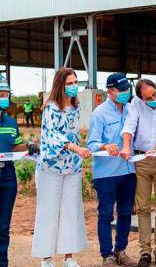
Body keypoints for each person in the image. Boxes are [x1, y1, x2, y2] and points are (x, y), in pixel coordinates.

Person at [32, 68, 91, 267]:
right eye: (70, 83)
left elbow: (75, 133)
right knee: (49, 211)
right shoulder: (51, 107)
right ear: (61, 85)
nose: (74, 87)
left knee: (71, 211)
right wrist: (76, 148)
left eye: (76, 82)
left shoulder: (76, 106)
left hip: (72, 167)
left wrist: (82, 149)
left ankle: (69, 257)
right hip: (50, 167)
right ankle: (46, 258)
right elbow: (54, 135)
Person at [87, 73, 138, 267]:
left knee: (125, 212)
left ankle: (120, 251)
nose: (125, 93)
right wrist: (104, 146)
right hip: (106, 174)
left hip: (127, 171)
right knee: (106, 214)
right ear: (110, 91)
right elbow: (91, 144)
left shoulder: (130, 110)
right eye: (121, 90)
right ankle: (106, 254)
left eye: (127, 89)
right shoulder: (99, 113)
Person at [122, 79, 156, 267]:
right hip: (141, 161)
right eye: (147, 98)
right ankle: (145, 252)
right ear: (141, 99)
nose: (153, 99)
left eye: (154, 94)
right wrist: (126, 145)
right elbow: (129, 126)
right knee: (142, 207)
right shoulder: (136, 104)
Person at [0, 81, 29, 267]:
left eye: (6, 95)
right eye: (1, 94)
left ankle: (3, 262)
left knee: (3, 226)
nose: (5, 98)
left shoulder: (11, 122)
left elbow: (16, 146)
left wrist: (30, 146)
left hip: (8, 176)